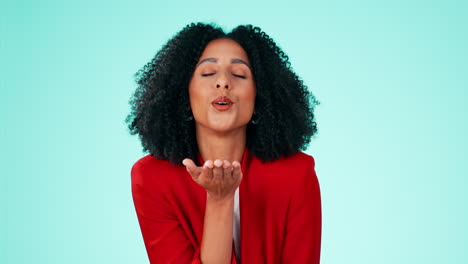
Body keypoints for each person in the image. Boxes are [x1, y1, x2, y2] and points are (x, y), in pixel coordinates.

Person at [126, 22, 322, 264]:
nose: (223, 83)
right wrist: (220, 200)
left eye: (239, 74)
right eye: (208, 73)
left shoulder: (297, 173)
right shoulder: (151, 178)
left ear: (260, 97)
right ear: (183, 96)